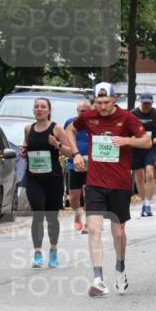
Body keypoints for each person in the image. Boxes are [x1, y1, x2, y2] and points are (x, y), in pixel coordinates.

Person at [65, 82, 151, 298]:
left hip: (120, 183)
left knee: (118, 232)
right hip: (94, 183)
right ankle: (98, 279)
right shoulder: (89, 117)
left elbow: (147, 141)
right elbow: (70, 130)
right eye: (98, 102)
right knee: (93, 229)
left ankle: (120, 269)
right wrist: (75, 153)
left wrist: (126, 140)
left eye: (106, 102)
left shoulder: (127, 118)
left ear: (114, 99)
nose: (102, 106)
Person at [22, 98, 70, 268]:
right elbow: (26, 146)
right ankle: (37, 253)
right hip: (34, 178)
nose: (39, 109)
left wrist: (57, 144)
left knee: (51, 217)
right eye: (36, 106)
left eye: (43, 107)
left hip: (53, 179)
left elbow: (70, 151)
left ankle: (54, 250)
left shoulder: (56, 128)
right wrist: (24, 151)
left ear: (49, 110)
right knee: (37, 214)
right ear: (33, 110)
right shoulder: (28, 129)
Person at [130, 92, 156, 217]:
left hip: (150, 147)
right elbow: (127, 129)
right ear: (140, 102)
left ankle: (148, 203)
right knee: (139, 177)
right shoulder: (133, 113)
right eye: (144, 103)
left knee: (150, 173)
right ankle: (143, 203)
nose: (146, 105)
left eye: (149, 103)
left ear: (152, 102)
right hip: (136, 148)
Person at [63, 99, 93, 232]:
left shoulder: (94, 123)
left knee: (88, 192)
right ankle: (77, 215)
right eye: (80, 111)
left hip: (91, 163)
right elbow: (64, 140)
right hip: (73, 162)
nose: (82, 113)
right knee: (73, 195)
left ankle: (88, 221)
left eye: (85, 111)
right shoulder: (70, 123)